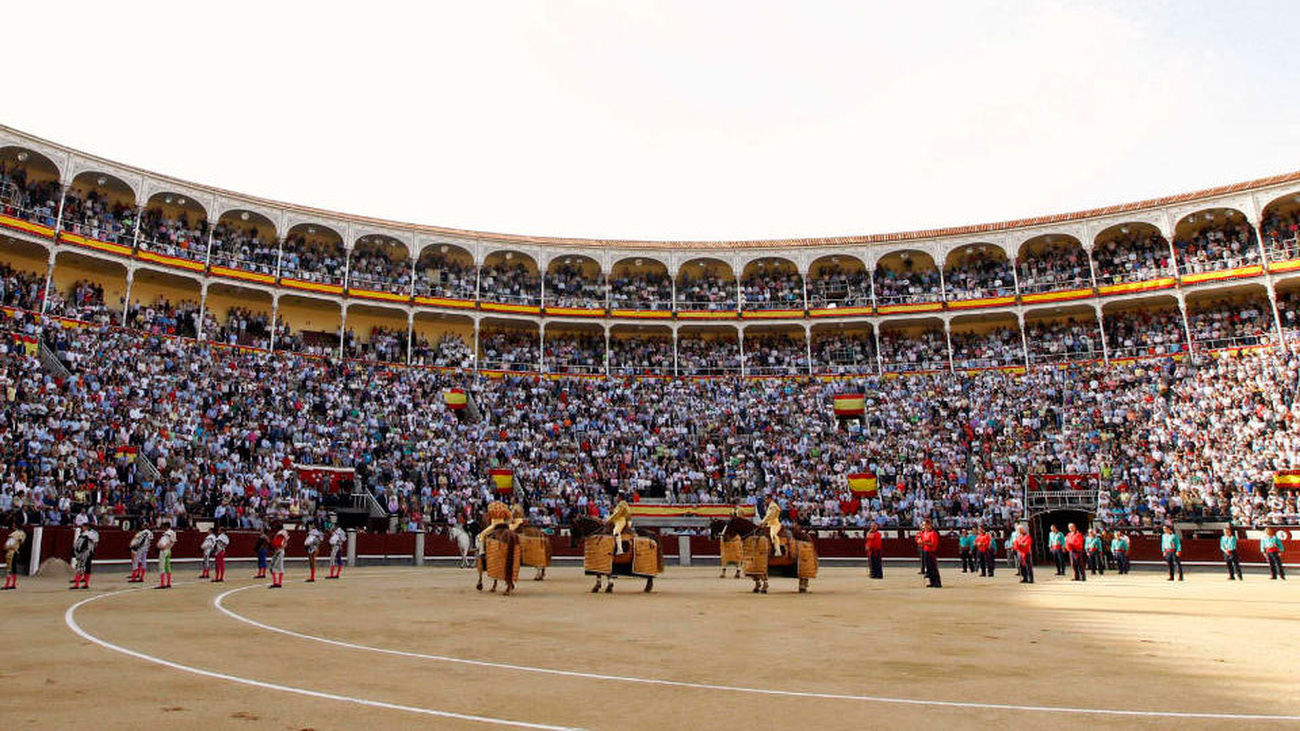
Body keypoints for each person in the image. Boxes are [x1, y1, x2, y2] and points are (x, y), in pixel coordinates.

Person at [70, 524, 99, 590]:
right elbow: (96, 544)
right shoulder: (92, 533)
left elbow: (95, 543)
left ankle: (78, 584)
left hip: (85, 552)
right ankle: (85, 584)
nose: (82, 528)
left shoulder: (88, 533)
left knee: (81, 567)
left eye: (83, 527)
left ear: (87, 527)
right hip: (88, 552)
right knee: (85, 567)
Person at [917, 519, 941, 588]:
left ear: (929, 525)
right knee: (929, 568)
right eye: (923, 525)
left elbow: (933, 543)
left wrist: (923, 543)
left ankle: (937, 582)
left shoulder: (933, 533)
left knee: (933, 567)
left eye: (925, 525)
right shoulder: (924, 533)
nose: (923, 526)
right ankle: (932, 582)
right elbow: (919, 540)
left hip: (931, 552)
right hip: (925, 551)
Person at [2, 523, 26, 590]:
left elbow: (7, 545)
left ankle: (7, 585)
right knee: (14, 568)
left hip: (11, 552)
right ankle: (13, 584)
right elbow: (21, 542)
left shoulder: (14, 534)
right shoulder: (22, 534)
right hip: (16, 552)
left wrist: (6, 547)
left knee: (9, 568)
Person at [155, 522, 176, 589]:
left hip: (164, 551)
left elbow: (166, 542)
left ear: (166, 526)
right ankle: (169, 583)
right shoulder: (172, 533)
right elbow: (172, 542)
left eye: (163, 526)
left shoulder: (167, 534)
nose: (162, 528)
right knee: (167, 566)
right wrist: (168, 547)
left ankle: (162, 584)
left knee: (162, 567)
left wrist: (163, 547)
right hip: (168, 550)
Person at [268, 522, 289, 588]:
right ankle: (279, 583)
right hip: (281, 550)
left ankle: (275, 583)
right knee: (280, 567)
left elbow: (278, 543)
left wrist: (274, 548)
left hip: (278, 551)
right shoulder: (285, 533)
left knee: (273, 567)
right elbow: (285, 543)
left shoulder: (280, 533)